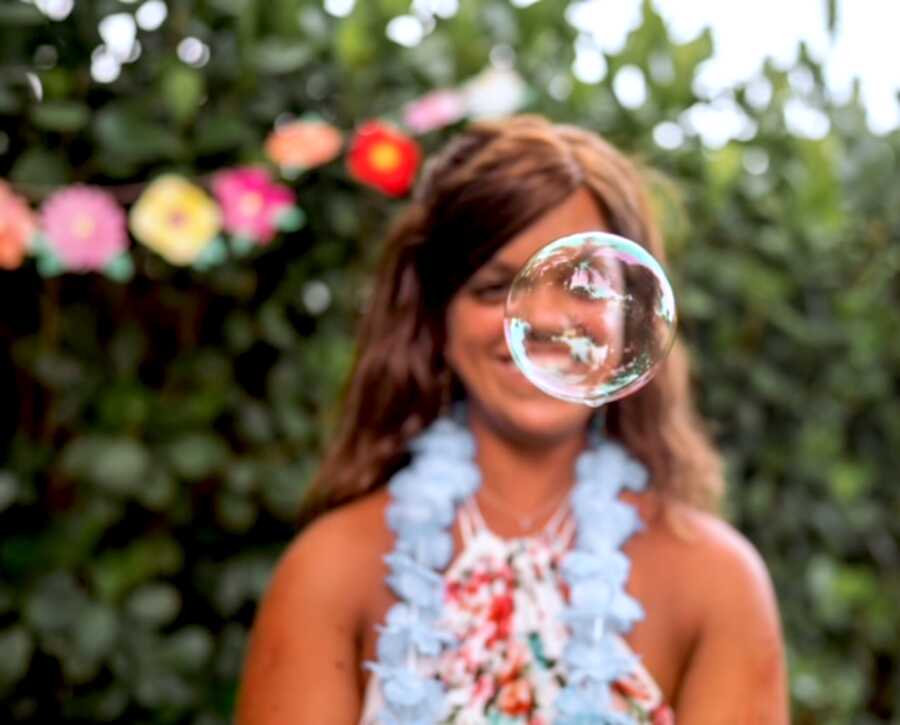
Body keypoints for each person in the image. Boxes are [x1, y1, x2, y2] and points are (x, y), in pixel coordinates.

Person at [236, 115, 788, 724]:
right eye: (496, 286)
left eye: (584, 284)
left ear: (634, 318)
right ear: (435, 321)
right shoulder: (329, 571)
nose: (545, 318)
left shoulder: (717, 583)